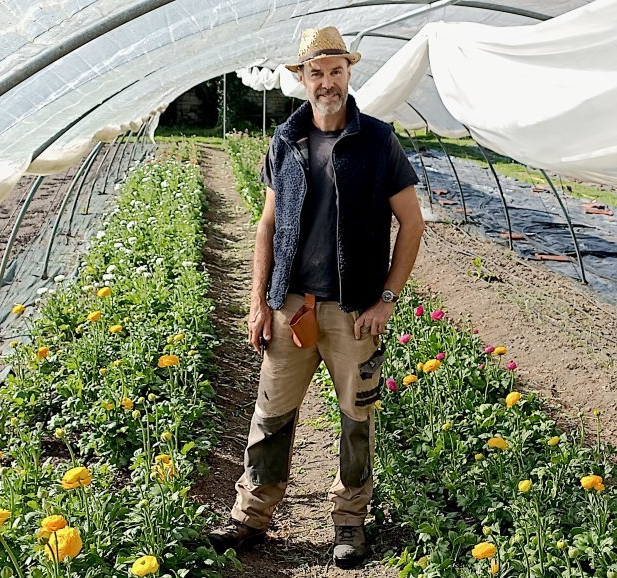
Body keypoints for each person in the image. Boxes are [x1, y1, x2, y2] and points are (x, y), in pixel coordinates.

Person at [207, 26, 424, 569]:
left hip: (354, 314)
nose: (326, 82)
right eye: (316, 73)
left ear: (349, 74)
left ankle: (350, 524)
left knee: (356, 420)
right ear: (301, 79)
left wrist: (386, 299)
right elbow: (267, 226)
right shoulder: (285, 141)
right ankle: (250, 518)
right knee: (271, 415)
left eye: (335, 71)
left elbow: (412, 223)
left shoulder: (377, 141)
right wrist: (259, 303)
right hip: (292, 307)